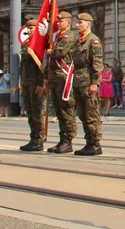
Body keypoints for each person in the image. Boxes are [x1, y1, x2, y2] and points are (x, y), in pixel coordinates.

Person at [70, 13, 104, 156]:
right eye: (77, 23)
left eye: (80, 23)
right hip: (78, 82)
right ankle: (88, 142)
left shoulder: (93, 41)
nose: (77, 25)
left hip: (88, 82)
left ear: (88, 24)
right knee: (83, 114)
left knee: (91, 115)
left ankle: (95, 143)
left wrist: (95, 83)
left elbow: (97, 64)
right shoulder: (79, 42)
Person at [47, 11, 79, 154]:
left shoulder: (69, 36)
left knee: (66, 109)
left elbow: (58, 53)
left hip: (64, 77)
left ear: (68, 23)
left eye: (61, 21)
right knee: (58, 110)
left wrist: (49, 51)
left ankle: (68, 140)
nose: (58, 23)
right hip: (55, 77)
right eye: (57, 21)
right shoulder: (57, 37)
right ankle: (62, 139)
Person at [20, 17, 48, 151]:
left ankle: (39, 139)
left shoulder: (39, 44)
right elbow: (22, 66)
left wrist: (41, 83)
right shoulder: (26, 44)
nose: (29, 30)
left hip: (36, 83)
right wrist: (21, 83)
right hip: (26, 83)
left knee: (37, 112)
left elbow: (42, 66)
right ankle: (33, 137)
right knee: (30, 112)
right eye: (28, 28)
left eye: (31, 28)